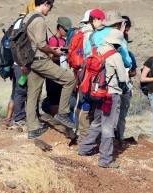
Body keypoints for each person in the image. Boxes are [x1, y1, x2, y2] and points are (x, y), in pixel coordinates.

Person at [23, 0, 76, 139]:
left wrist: (51, 49)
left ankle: (32, 128)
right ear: (46, 3)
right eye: (50, 7)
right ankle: (63, 113)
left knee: (33, 95)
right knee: (69, 79)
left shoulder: (28, 17)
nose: (50, 11)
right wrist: (55, 52)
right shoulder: (39, 19)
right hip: (40, 60)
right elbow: (40, 45)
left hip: (30, 60)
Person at [78, 29, 127, 168]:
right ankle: (105, 159)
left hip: (96, 92)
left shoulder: (95, 51)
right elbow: (122, 78)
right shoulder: (115, 55)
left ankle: (84, 148)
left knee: (97, 121)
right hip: (111, 94)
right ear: (117, 43)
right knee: (108, 126)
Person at [76, 9, 106, 142]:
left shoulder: (82, 31)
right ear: (94, 20)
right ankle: (84, 137)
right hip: (90, 74)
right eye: (101, 20)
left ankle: (84, 136)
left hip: (85, 73)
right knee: (87, 104)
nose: (102, 23)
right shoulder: (90, 34)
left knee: (85, 102)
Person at [45, 16, 72, 116]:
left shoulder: (64, 41)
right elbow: (50, 58)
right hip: (53, 74)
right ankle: (54, 120)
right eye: (66, 30)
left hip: (61, 73)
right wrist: (62, 57)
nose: (66, 32)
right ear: (60, 28)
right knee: (54, 100)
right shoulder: (53, 40)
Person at [116, 15, 136, 145]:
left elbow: (132, 68)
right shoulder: (118, 44)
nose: (126, 33)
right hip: (117, 84)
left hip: (125, 85)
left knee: (121, 113)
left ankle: (119, 137)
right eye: (126, 29)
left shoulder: (128, 52)